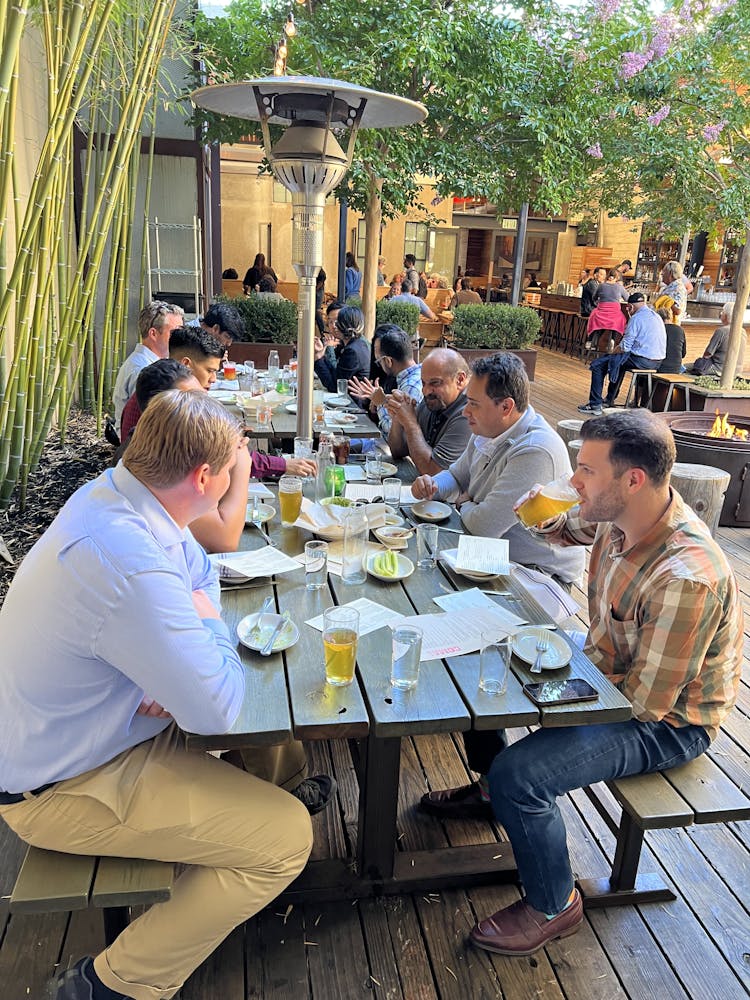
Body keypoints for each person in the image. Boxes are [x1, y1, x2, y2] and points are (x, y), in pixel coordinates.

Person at [0, 390, 314, 1000]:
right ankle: (116, 982)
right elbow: (217, 706)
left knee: (274, 720)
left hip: (87, 732)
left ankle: (249, 813)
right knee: (287, 839)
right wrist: (203, 630)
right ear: (205, 478)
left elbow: (198, 569)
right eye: (232, 470)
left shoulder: (117, 498)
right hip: (62, 785)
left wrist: (181, 641)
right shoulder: (128, 562)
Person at [454, 410, 742, 958]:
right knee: (477, 669)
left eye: (585, 469)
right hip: (608, 675)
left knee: (522, 773)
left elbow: (643, 704)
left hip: (668, 724)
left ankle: (553, 902)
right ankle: (495, 791)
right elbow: (562, 527)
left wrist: (551, 693)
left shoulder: (687, 576)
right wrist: (543, 504)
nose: (574, 478)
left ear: (632, 478)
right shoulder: (619, 514)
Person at [412, 352, 584, 584]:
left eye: (473, 404)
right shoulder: (487, 429)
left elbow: (484, 527)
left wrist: (464, 503)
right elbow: (456, 475)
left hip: (537, 574)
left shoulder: (536, 450)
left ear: (506, 407)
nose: (465, 412)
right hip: (487, 556)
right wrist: (432, 486)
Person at [385, 348, 471, 474]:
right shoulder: (432, 402)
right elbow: (398, 451)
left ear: (460, 380)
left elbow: (433, 472)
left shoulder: (469, 413)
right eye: (423, 383)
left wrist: (411, 424)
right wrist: (398, 416)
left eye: (435, 383)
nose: (426, 391)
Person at [579, 292, 666, 414]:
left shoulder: (636, 318)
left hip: (642, 360)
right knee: (618, 362)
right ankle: (609, 399)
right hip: (657, 361)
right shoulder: (656, 316)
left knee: (598, 364)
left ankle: (595, 404)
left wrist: (613, 352)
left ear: (630, 307)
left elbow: (625, 346)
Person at [111, 300, 184, 432]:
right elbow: (147, 422)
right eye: (175, 333)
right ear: (153, 334)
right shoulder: (141, 369)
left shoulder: (154, 362)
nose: (180, 338)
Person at [347, 324, 422, 438]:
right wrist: (379, 402)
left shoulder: (410, 386)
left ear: (388, 361)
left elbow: (394, 432)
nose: (379, 366)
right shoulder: (414, 375)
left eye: (379, 361)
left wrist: (380, 403)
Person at [313, 305, 371, 391]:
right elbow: (336, 374)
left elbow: (335, 386)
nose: (334, 326)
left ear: (347, 326)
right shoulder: (356, 344)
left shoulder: (352, 351)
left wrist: (318, 358)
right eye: (331, 322)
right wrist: (320, 356)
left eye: (338, 322)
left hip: (353, 402)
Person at [687, 302, 747, 378]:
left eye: (722, 312)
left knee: (685, 367)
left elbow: (707, 354)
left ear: (726, 315)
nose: (721, 314)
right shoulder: (743, 331)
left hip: (719, 369)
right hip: (737, 370)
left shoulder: (721, 331)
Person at [585, 269, 629, 349]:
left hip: (601, 313)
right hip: (614, 314)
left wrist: (600, 301)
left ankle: (590, 340)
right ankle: (612, 339)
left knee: (593, 317)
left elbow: (594, 297)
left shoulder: (601, 285)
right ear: (617, 277)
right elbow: (628, 298)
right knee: (620, 319)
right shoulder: (619, 287)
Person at [653, 294, 687, 374]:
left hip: (660, 367)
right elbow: (683, 353)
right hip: (676, 368)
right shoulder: (680, 330)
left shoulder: (658, 329)